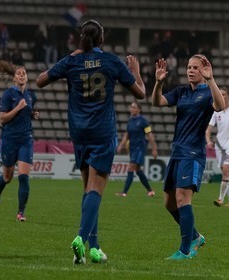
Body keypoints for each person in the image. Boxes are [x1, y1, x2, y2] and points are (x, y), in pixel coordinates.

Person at [35, 19, 146, 265]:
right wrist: (136, 72)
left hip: (79, 133)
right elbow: (141, 93)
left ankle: (94, 249)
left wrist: (69, 58)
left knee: (87, 189)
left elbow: (40, 81)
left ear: (81, 38)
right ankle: (81, 238)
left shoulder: (71, 61)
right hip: (102, 132)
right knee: (97, 188)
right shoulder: (111, 61)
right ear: (101, 39)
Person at [152, 54, 225, 260]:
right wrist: (158, 83)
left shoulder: (208, 92)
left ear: (204, 70)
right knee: (169, 203)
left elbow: (220, 107)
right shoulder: (182, 92)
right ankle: (196, 237)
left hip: (193, 153)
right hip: (177, 152)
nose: (191, 70)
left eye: (195, 67)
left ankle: (185, 250)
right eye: (189, 67)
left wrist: (211, 80)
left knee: (183, 200)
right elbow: (157, 102)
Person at [0, 60, 39, 222]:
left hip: (26, 138)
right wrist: (17, 108)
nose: (22, 75)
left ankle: (21, 213)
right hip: (9, 139)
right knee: (7, 177)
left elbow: (30, 111)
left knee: (23, 176)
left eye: (24, 73)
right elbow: (2, 119)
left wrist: (34, 114)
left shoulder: (31, 95)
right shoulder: (8, 95)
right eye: (19, 73)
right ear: (14, 79)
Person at [115, 101, 158, 197]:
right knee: (138, 170)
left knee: (131, 167)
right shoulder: (130, 121)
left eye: (134, 107)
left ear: (139, 109)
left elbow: (149, 134)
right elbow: (127, 135)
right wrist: (121, 145)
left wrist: (154, 148)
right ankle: (150, 191)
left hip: (140, 148)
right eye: (131, 107)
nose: (132, 109)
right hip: (132, 148)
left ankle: (124, 192)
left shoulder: (143, 121)